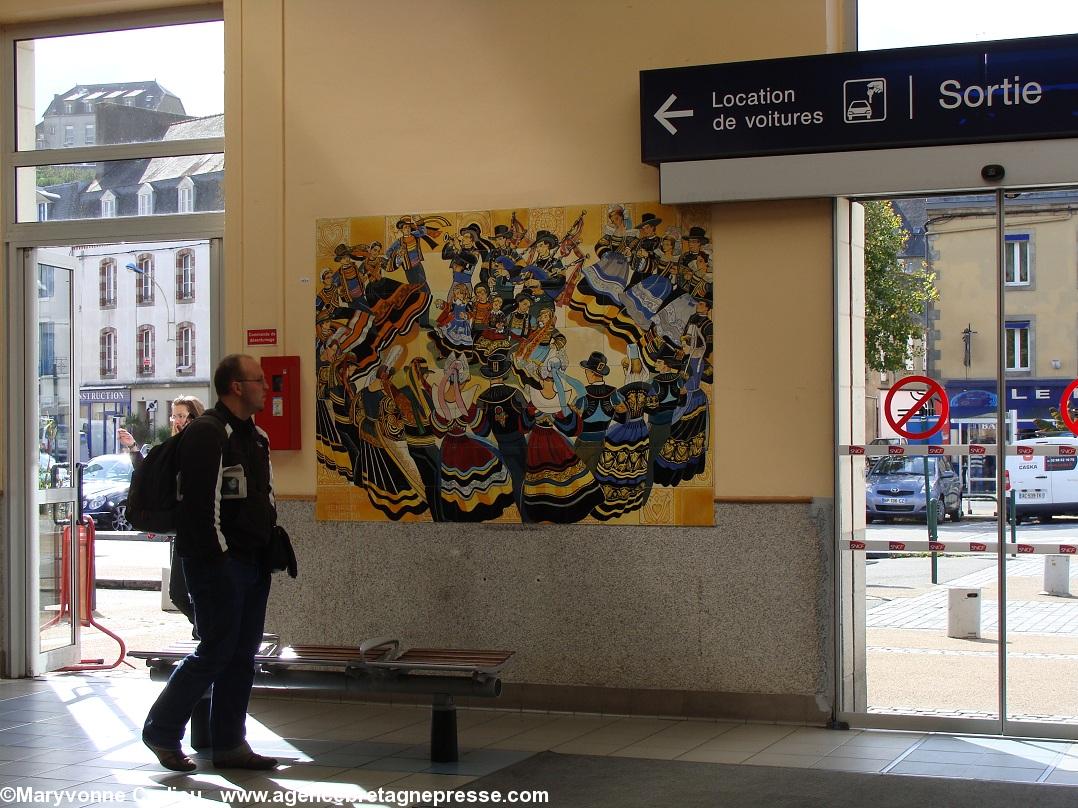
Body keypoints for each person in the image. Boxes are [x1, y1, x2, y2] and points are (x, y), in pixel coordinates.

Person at [142, 355, 279, 772]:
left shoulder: (255, 436)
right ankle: (162, 731)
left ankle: (229, 743)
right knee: (216, 650)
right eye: (258, 380)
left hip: (252, 561)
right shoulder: (208, 434)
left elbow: (263, 496)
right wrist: (219, 559)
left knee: (242, 653)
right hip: (217, 562)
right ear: (236, 386)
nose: (265, 387)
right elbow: (200, 508)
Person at [119, 396, 206, 633]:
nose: (176, 421)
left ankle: (205, 632)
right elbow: (151, 475)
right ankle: (204, 628)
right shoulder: (174, 446)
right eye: (174, 416)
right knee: (178, 593)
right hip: (181, 528)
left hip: (202, 529)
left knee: (196, 589)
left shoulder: (202, 445)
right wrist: (133, 449)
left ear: (194, 418)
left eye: (181, 416)